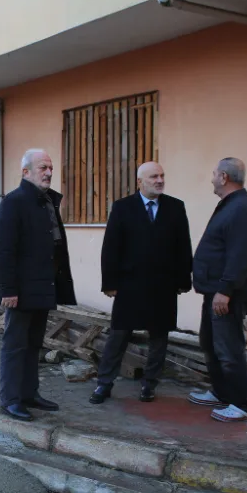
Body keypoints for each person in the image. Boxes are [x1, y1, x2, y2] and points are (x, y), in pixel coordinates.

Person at [90, 162, 193, 405]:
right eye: (153, 176)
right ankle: (104, 384)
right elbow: (111, 248)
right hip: (129, 285)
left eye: (162, 175)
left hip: (163, 285)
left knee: (159, 337)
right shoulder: (123, 207)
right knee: (118, 336)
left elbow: (183, 247)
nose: (159, 180)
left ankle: (149, 384)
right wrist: (110, 283)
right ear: (140, 182)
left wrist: (183, 280)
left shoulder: (175, 207)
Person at [0, 149, 76, 421]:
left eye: (50, 167)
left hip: (43, 286)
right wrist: (8, 290)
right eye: (43, 167)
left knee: (34, 344)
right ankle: (10, 399)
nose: (49, 172)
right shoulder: (13, 203)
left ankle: (29, 393)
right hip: (20, 290)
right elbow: (3, 250)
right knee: (15, 344)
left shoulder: (47, 202)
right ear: (25, 172)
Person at [189, 157, 247, 422]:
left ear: (223, 177)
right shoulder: (231, 205)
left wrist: (226, 290)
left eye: (213, 173)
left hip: (226, 295)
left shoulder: (241, 208)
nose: (211, 178)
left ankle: (242, 404)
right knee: (210, 343)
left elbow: (240, 255)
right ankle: (221, 392)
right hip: (215, 291)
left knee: (229, 348)